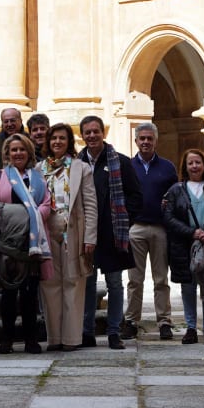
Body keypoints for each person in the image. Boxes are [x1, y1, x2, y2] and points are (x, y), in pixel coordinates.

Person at [77, 116, 144, 350]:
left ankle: (114, 331)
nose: (92, 136)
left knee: (115, 283)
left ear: (103, 133)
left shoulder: (121, 162)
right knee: (87, 282)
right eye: (87, 132)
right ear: (82, 135)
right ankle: (87, 332)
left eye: (96, 131)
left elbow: (135, 196)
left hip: (113, 233)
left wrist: (125, 221)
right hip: (86, 234)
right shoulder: (77, 163)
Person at [0, 133, 51, 354]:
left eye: (22, 149)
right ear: (7, 154)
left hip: (31, 240)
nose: (18, 153)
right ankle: (7, 339)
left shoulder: (38, 177)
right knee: (9, 293)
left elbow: (46, 204)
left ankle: (31, 339)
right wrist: (23, 216)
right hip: (8, 240)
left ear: (29, 152)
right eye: (13, 150)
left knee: (30, 293)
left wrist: (32, 217)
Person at [162, 149, 204, 345]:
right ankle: (191, 328)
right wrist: (190, 232)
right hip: (185, 245)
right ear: (185, 166)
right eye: (190, 163)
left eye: (198, 162)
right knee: (188, 286)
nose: (194, 166)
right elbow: (168, 217)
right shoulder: (176, 190)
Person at [38, 123, 98, 351]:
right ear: (48, 142)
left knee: (74, 285)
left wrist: (90, 236)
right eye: (54, 138)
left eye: (62, 138)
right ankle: (54, 338)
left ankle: (72, 339)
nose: (57, 142)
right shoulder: (39, 168)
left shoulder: (81, 168)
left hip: (73, 233)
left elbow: (91, 205)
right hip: (46, 234)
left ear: (69, 142)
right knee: (50, 285)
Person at [126, 122, 178, 340]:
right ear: (136, 141)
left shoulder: (167, 167)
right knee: (134, 280)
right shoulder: (127, 166)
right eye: (142, 138)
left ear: (156, 141)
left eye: (150, 138)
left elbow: (175, 196)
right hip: (136, 228)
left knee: (160, 279)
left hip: (160, 229)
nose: (145, 142)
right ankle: (131, 321)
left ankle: (164, 321)